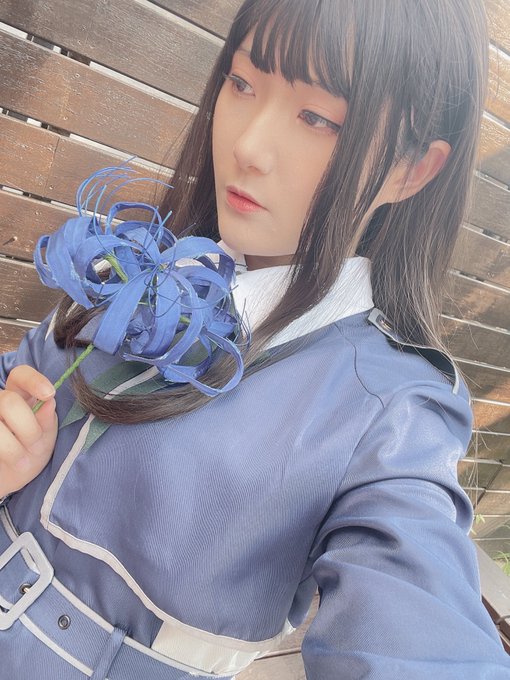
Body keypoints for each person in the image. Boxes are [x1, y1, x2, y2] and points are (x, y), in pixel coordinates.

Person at [0, 0, 509, 677]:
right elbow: (22, 372)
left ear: (409, 171)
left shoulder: (390, 410)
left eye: (318, 118)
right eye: (241, 83)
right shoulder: (144, 248)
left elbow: (414, 615)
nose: (247, 145)